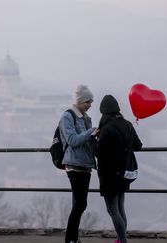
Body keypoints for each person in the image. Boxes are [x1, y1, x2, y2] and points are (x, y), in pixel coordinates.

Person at [96, 95, 142, 243]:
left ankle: (123, 241)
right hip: (124, 173)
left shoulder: (107, 128)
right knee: (120, 207)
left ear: (104, 112)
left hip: (109, 174)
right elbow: (138, 145)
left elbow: (98, 152)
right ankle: (121, 239)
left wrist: (92, 140)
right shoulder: (127, 124)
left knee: (112, 209)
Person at [59, 85, 99, 243]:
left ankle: (73, 239)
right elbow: (72, 140)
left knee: (80, 204)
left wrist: (95, 136)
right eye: (88, 101)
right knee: (80, 203)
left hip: (85, 165)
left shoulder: (85, 117)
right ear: (80, 100)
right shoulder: (68, 116)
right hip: (74, 164)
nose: (90, 104)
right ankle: (70, 239)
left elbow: (86, 140)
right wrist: (91, 132)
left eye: (92, 101)